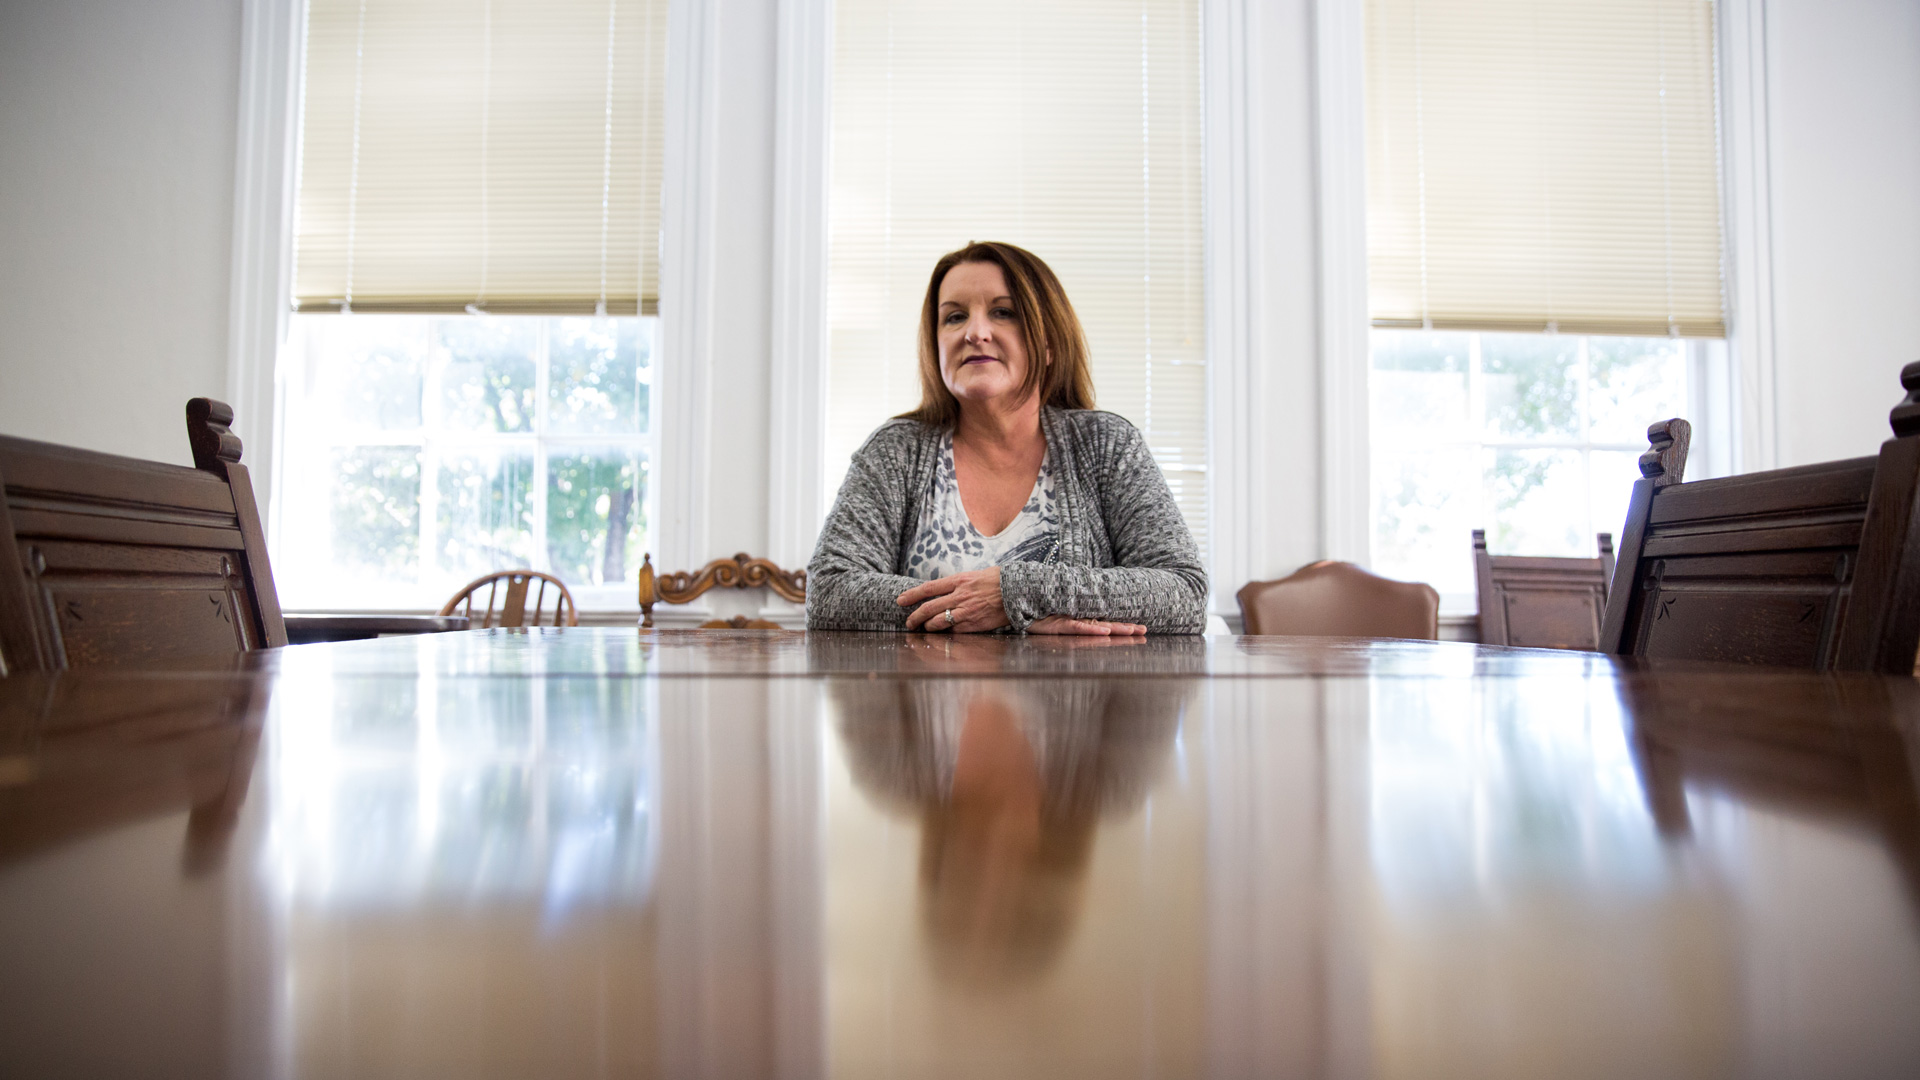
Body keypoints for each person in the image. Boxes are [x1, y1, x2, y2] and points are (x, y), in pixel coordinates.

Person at [806, 241, 1208, 634]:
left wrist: (1011, 594)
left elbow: (1184, 593)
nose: (975, 332)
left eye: (1003, 312)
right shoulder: (895, 451)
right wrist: (991, 610)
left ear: (1049, 342)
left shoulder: (1107, 445)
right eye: (954, 317)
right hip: (925, 701)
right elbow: (829, 592)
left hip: (1077, 701)